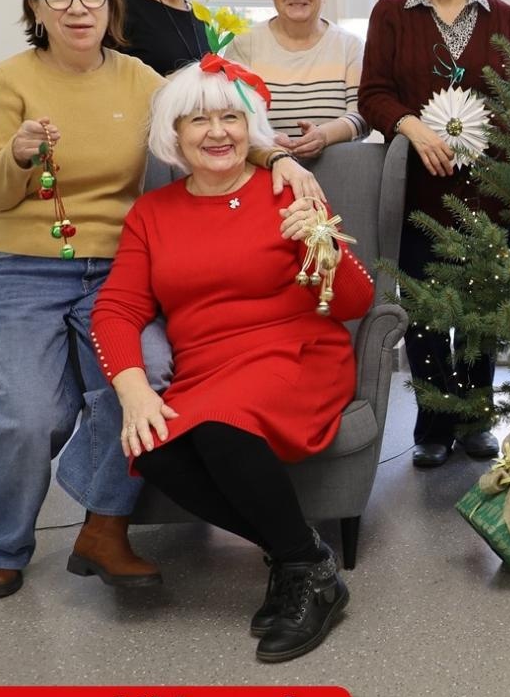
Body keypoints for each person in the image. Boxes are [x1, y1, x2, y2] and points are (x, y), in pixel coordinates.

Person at [0, 0, 325, 602]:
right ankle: (1, 545)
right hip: (24, 267)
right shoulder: (10, 78)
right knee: (29, 415)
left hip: (117, 267)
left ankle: (103, 527)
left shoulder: (138, 79)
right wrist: (16, 156)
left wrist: (278, 158)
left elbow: (208, 117)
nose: (78, 8)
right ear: (36, 8)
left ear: (111, 5)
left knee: (148, 380)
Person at [91, 60, 373, 662]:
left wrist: (315, 244)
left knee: (221, 427)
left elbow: (355, 301)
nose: (218, 133)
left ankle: (301, 569)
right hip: (208, 365)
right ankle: (304, 557)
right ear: (175, 134)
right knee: (152, 446)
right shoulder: (153, 213)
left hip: (295, 353)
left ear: (251, 128)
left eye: (231, 118)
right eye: (200, 120)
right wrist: (134, 390)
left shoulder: (286, 192)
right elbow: (116, 309)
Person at [358, 0, 510, 469]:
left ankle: (476, 418)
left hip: (490, 193)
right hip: (419, 192)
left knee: (482, 308)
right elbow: (374, 94)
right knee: (429, 308)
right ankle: (434, 423)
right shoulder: (390, 14)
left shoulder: (503, 18)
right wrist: (412, 126)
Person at [227, 0, 367, 157]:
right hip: (265, 168)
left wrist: (324, 135)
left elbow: (363, 116)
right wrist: (267, 139)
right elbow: (231, 116)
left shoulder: (349, 45)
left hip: (337, 175)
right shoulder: (245, 43)